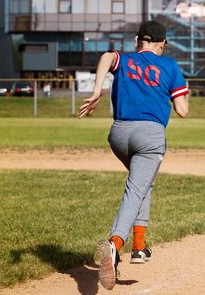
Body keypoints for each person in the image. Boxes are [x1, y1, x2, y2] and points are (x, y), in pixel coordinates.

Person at [78, 20, 189, 291]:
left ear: (138, 42)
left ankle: (140, 247)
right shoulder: (169, 66)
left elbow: (106, 57)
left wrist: (96, 92)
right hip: (149, 136)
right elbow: (183, 110)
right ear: (160, 44)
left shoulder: (124, 60)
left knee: (142, 184)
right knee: (135, 189)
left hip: (118, 135)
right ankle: (115, 245)